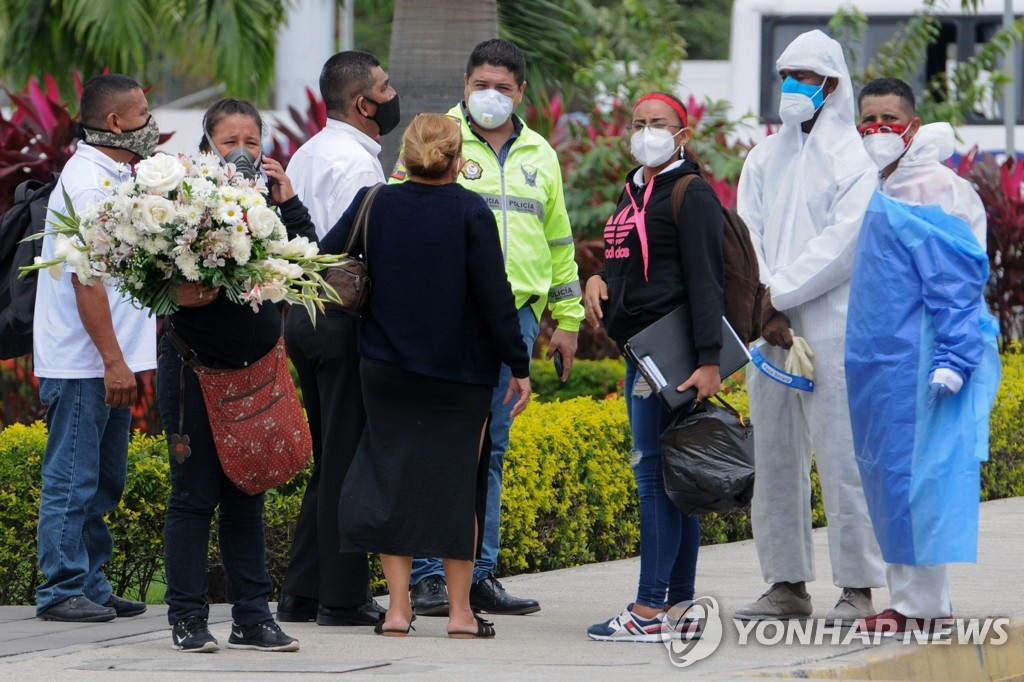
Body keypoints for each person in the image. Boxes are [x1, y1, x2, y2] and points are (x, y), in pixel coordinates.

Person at [325, 113, 532, 639]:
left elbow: (325, 256)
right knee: (458, 484)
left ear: (407, 156)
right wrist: (520, 363)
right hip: (459, 376)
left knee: (391, 477)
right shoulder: (470, 210)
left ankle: (397, 611)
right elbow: (495, 297)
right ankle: (461, 614)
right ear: (458, 160)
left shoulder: (377, 202)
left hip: (385, 367)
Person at [400, 37, 584, 618]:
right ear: (464, 84)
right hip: (445, 315)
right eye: (481, 85)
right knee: (436, 443)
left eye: (503, 88)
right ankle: (430, 578)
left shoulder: (539, 152)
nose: (491, 96)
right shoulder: (436, 137)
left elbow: (559, 240)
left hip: (517, 318)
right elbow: (400, 216)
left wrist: (569, 319)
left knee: (492, 450)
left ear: (521, 92)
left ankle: (479, 576)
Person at [733, 29, 886, 625]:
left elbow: (842, 245)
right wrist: (762, 297)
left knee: (843, 457)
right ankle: (786, 584)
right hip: (767, 331)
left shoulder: (856, 158)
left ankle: (858, 588)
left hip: (831, 327)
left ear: (831, 85)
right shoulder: (763, 156)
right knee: (773, 457)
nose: (791, 87)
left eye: (804, 77)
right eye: (785, 76)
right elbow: (748, 232)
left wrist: (778, 294)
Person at [158, 98, 313, 653]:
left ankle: (252, 618)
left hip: (257, 373)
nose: (244, 153)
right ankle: (187, 619)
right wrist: (173, 291)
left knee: (249, 494)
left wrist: (287, 200)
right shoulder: (179, 197)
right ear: (208, 146)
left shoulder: (274, 197)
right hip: (195, 372)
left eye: (252, 142)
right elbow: (140, 270)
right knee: (194, 497)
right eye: (230, 142)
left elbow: (309, 259)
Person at [847, 78, 1000, 636]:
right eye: (868, 119)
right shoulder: (880, 186)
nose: (877, 130)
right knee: (888, 481)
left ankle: (923, 607)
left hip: (922, 361)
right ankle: (909, 601)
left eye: (889, 118)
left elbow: (956, 280)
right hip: (879, 362)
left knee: (921, 482)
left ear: (912, 123)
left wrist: (955, 358)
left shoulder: (939, 188)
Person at [582, 93, 723, 642]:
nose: (646, 132)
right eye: (638, 124)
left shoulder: (691, 193)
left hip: (672, 355)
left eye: (657, 124)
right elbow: (629, 261)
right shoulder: (635, 186)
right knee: (675, 478)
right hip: (640, 347)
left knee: (653, 479)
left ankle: (647, 609)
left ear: (681, 134)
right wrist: (598, 280)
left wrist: (710, 362)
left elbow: (705, 281)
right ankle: (679, 608)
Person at [276, 50, 398, 627]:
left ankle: (303, 591)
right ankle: (343, 598)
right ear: (363, 103)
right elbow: (362, 252)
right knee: (348, 462)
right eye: (385, 85)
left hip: (301, 317)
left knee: (332, 458)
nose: (392, 92)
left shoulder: (308, 151)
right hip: (338, 317)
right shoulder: (358, 166)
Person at [33, 74, 158, 623]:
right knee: (74, 478)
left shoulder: (114, 175)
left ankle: (92, 583)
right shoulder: (88, 183)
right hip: (86, 362)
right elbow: (87, 281)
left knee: (104, 480)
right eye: (143, 114)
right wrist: (112, 360)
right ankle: (61, 590)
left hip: (109, 360)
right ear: (115, 123)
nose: (151, 124)